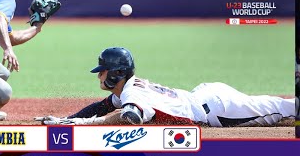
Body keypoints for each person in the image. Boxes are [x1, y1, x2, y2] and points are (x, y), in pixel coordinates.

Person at [35, 47, 295, 127]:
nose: (98, 76)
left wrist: (84, 125)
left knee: (283, 108)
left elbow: (130, 116)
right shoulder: (128, 89)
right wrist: (64, 120)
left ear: (115, 74)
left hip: (217, 109)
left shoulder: (132, 93)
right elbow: (102, 106)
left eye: (101, 71)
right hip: (203, 95)